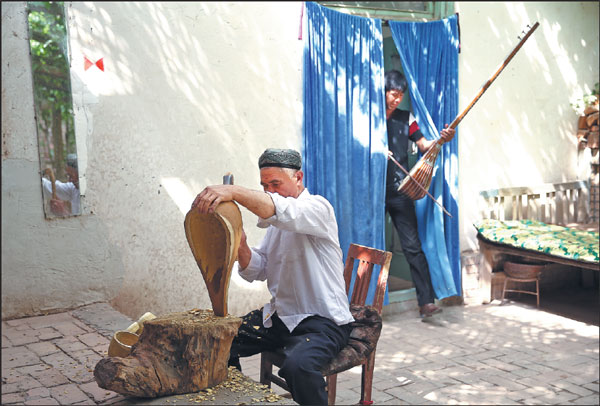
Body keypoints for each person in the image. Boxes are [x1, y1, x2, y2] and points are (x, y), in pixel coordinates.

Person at [191, 148, 354, 406]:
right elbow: (259, 269)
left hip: (324, 322)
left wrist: (233, 192)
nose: (270, 191)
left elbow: (283, 211)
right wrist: (241, 245)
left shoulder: (318, 208)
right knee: (220, 342)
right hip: (281, 318)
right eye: (265, 185)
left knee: (298, 367)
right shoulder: (276, 226)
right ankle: (236, 400)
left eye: (275, 184)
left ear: (298, 177)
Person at [384, 70, 456, 318]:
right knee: (369, 245)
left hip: (400, 190)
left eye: (400, 95)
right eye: (394, 94)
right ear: (383, 91)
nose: (397, 99)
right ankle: (363, 303)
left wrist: (441, 141)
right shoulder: (368, 116)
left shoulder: (406, 118)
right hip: (371, 192)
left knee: (412, 246)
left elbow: (423, 144)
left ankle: (426, 302)